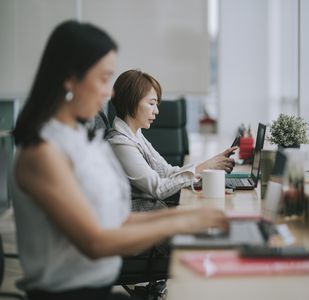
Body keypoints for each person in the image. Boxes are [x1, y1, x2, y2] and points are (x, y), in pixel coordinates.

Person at [12, 20, 228, 300]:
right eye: (103, 78)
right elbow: (94, 241)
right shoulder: (42, 151)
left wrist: (189, 216)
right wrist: (179, 223)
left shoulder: (84, 139)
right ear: (69, 78)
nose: (109, 93)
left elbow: (117, 221)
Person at [107, 69, 236, 211]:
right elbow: (158, 189)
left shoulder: (135, 134)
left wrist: (208, 164)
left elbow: (167, 172)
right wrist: (205, 167)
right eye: (151, 103)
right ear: (131, 101)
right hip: (140, 218)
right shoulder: (120, 143)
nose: (156, 111)